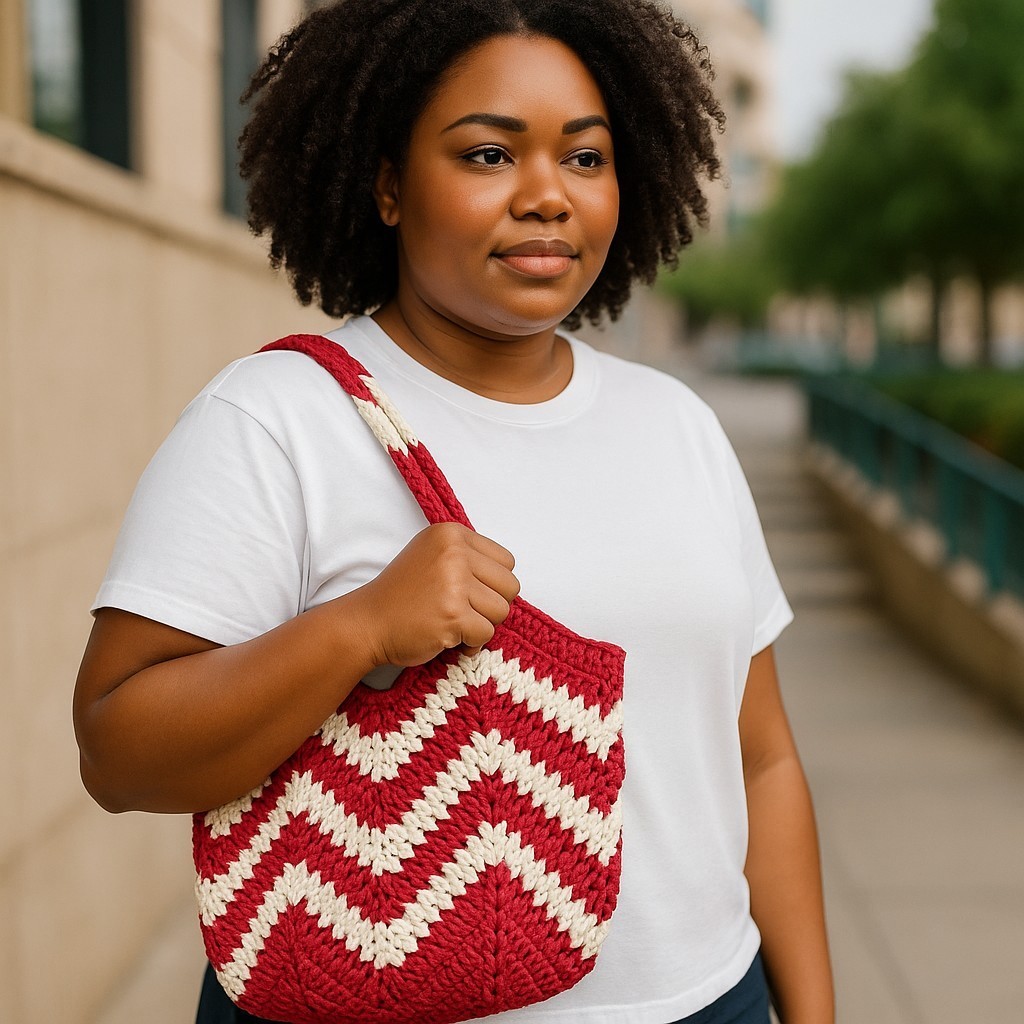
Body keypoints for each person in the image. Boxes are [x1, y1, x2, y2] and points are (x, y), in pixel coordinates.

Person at [73, 1, 834, 1022]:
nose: (547, 196)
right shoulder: (276, 422)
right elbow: (117, 749)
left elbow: (762, 756)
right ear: (387, 184)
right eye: (487, 154)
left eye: (585, 157)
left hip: (711, 999)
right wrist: (357, 629)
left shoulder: (677, 425)